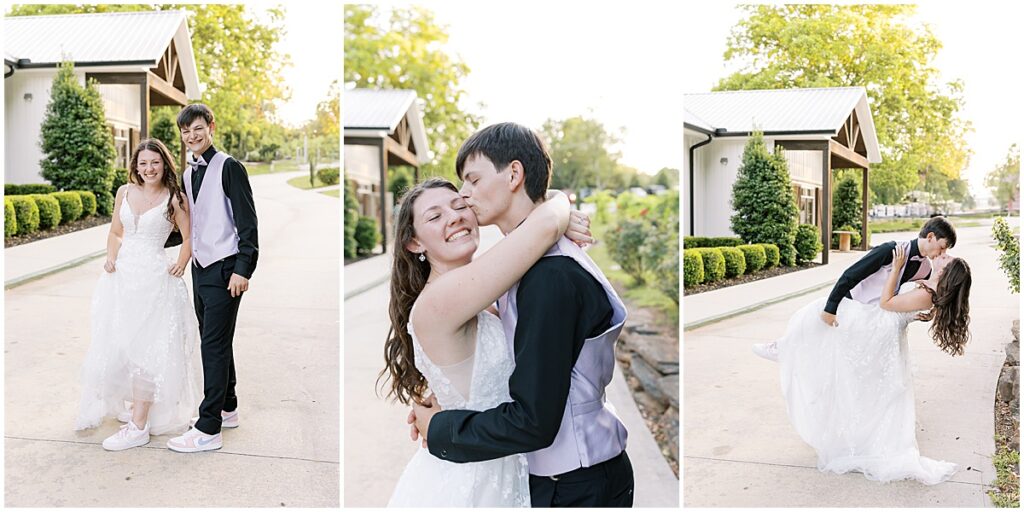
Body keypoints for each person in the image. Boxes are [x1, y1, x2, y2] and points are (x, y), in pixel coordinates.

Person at [409, 123, 634, 507]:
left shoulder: (549, 276)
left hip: (576, 482)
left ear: (514, 174)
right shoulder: (524, 264)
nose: (464, 196)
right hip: (544, 476)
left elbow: (533, 421)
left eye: (473, 180)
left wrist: (443, 427)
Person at [382, 177, 592, 507]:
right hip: (470, 483)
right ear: (413, 243)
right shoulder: (439, 302)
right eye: (434, 217)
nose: (453, 217)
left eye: (459, 205)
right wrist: (561, 204)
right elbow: (546, 224)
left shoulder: (481, 297)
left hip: (505, 463)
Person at [769, 241, 972, 484]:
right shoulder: (928, 284)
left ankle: (787, 348)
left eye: (947, 259)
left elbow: (887, 303)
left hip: (878, 328)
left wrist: (896, 268)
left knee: (821, 315)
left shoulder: (927, 294)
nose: (944, 255)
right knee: (829, 337)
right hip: (879, 325)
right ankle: (787, 347)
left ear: (945, 273)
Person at [75, 139, 201, 450]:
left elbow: (188, 238)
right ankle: (138, 406)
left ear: (164, 164)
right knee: (123, 343)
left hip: (155, 281)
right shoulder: (124, 192)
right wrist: (110, 256)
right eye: (143, 163)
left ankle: (139, 426)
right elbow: (116, 232)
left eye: (155, 163)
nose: (149, 169)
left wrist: (181, 264)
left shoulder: (175, 198)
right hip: (122, 278)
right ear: (136, 166)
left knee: (147, 347)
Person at [166, 103, 259, 453]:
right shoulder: (190, 173)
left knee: (213, 346)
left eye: (198, 128)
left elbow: (248, 223)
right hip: (200, 267)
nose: (192, 135)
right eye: (186, 131)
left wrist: (243, 268)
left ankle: (209, 428)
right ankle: (228, 407)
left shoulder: (229, 167)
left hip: (225, 268)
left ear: (211, 127)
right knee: (215, 339)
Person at [754, 216, 956, 361]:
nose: (942, 252)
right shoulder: (891, 250)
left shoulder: (925, 267)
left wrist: (934, 310)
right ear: (930, 237)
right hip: (853, 303)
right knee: (812, 317)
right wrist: (831, 308)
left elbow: (928, 291)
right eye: (943, 246)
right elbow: (851, 274)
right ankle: (782, 347)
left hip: (876, 317)